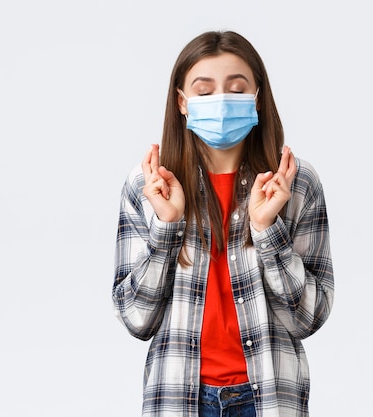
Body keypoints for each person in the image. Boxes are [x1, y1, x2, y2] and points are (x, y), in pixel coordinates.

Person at [112, 30, 334, 417]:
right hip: (179, 396)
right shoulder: (150, 187)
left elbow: (308, 318)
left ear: (257, 98)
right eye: (204, 91)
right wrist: (167, 228)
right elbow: (135, 318)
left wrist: (268, 231)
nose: (221, 101)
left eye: (236, 89)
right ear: (182, 102)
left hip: (268, 397)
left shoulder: (296, 184)